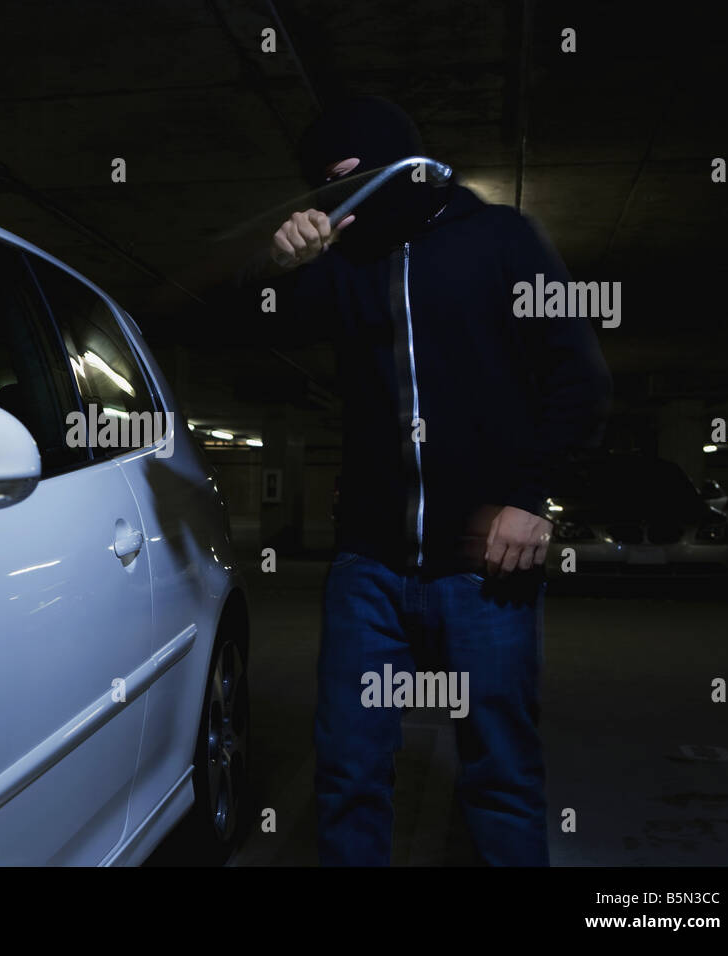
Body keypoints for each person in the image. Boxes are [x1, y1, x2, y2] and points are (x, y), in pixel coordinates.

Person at [268, 95, 612, 865]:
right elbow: (268, 336)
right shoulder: (346, 263)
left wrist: (531, 497)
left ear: (398, 164)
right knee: (350, 770)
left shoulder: (500, 238)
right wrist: (290, 270)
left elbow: (579, 380)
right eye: (323, 188)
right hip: (368, 564)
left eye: (349, 177)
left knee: (499, 773)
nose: (338, 199)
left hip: (486, 565)